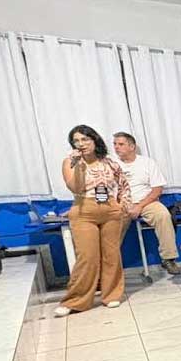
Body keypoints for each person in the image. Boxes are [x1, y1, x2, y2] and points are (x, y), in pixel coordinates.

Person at [54, 125, 133, 317]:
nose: (81, 144)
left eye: (85, 139)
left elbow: (123, 184)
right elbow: (76, 188)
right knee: (87, 257)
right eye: (77, 141)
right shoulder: (70, 162)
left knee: (111, 255)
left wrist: (123, 204)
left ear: (94, 140)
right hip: (84, 211)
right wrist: (78, 165)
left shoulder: (109, 162)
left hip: (110, 210)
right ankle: (75, 300)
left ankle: (112, 294)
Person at [112, 132, 179, 275]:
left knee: (163, 215)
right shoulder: (111, 165)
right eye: (115, 144)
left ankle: (168, 259)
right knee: (111, 229)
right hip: (121, 203)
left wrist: (139, 206)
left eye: (121, 144)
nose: (116, 147)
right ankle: (108, 268)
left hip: (147, 201)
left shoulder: (147, 162)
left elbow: (157, 189)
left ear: (132, 147)